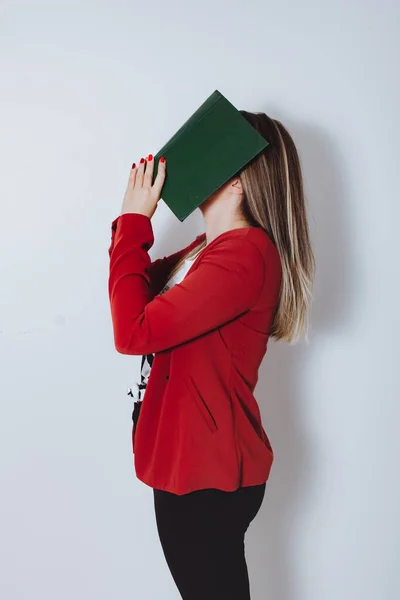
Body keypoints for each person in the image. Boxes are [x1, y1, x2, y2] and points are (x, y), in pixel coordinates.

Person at [108, 111, 315, 599]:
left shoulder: (245, 253)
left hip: (206, 474)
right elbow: (128, 284)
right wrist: (129, 225)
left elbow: (132, 331)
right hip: (186, 463)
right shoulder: (207, 248)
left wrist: (136, 219)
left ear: (239, 177)